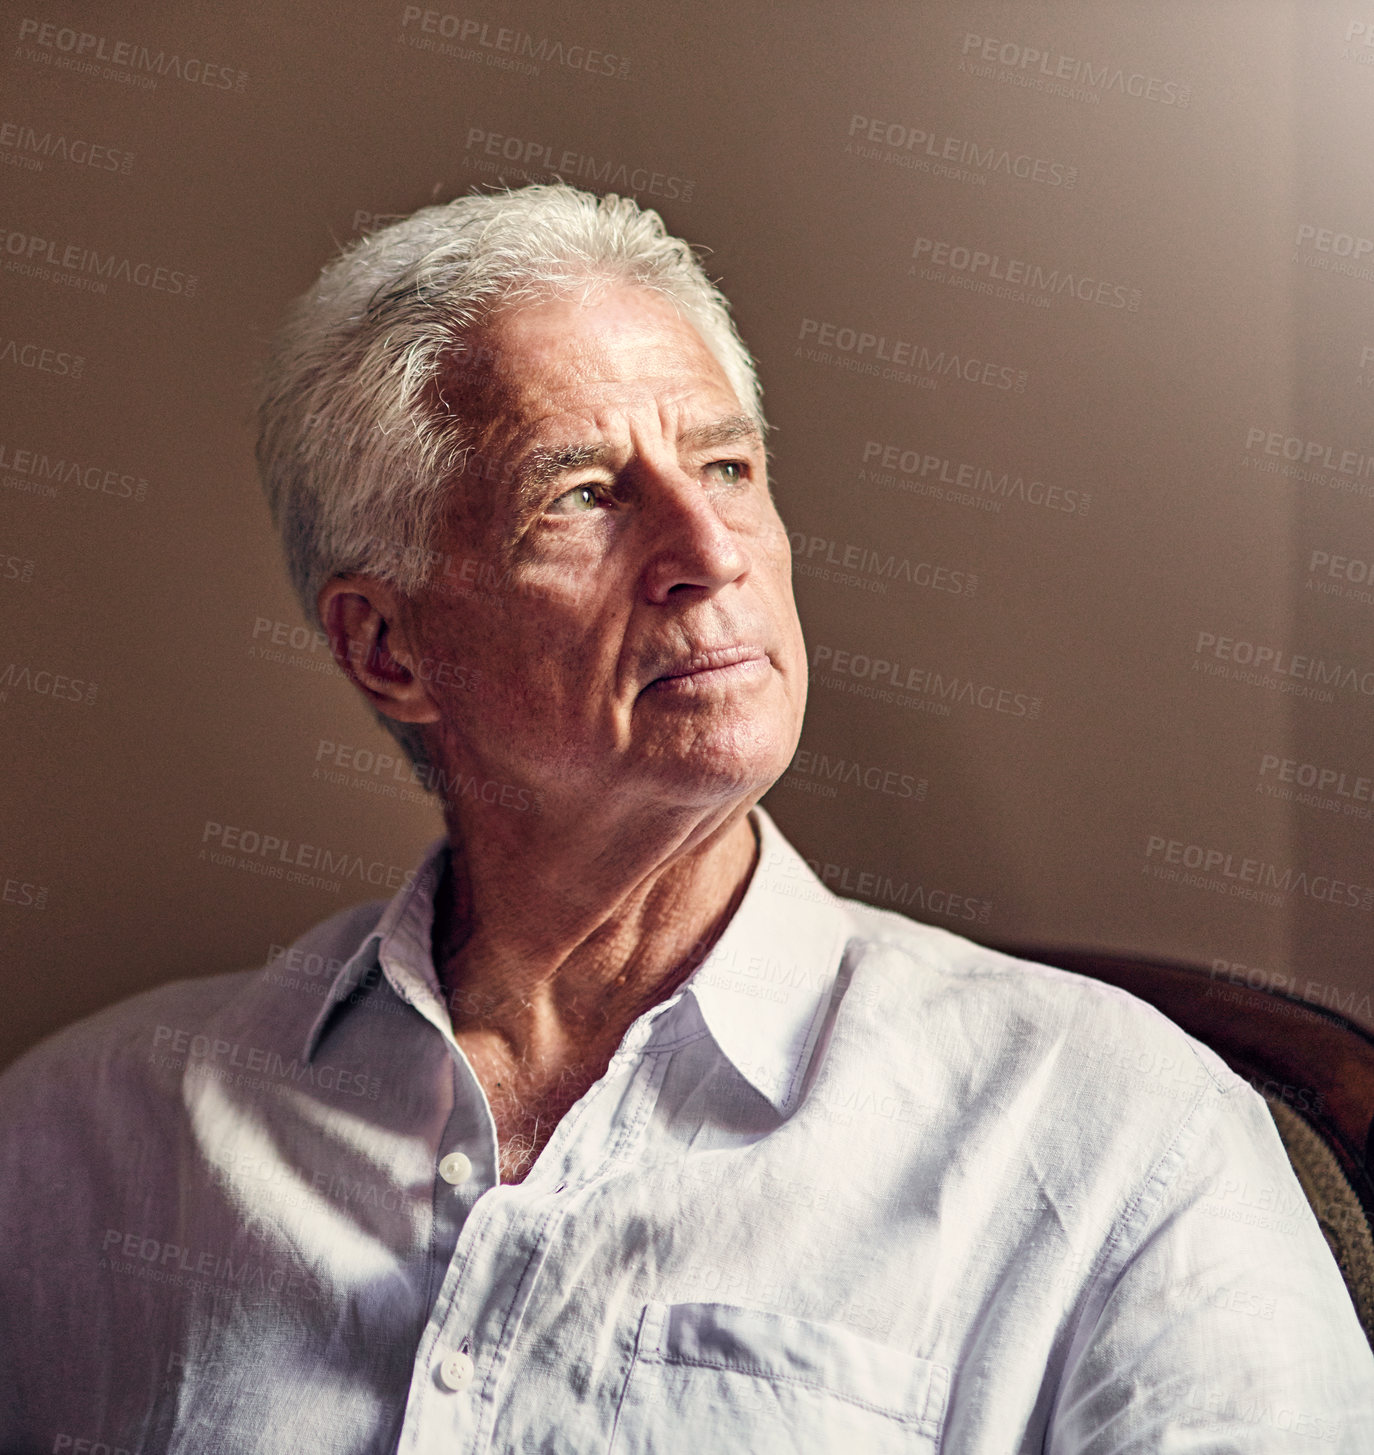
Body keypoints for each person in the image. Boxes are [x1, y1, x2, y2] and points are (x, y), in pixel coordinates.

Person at [1, 183, 1369, 1453]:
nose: (708, 554)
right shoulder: (87, 1142)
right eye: (584, 494)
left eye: (723, 469)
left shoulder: (1108, 1127)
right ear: (388, 651)